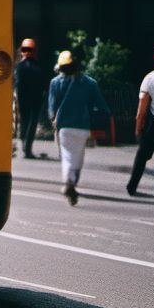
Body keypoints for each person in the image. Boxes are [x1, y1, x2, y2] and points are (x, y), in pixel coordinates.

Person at [48, 50, 110, 205]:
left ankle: (69, 183)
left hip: (64, 127)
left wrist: (53, 120)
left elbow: (51, 107)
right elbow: (102, 107)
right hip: (82, 126)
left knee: (67, 157)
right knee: (78, 158)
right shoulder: (90, 83)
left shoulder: (55, 83)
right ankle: (72, 182)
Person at [127, 47, 154, 196]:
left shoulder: (150, 78)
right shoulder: (151, 78)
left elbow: (142, 108)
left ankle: (132, 186)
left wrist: (138, 128)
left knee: (142, 157)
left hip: (153, 125)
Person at [13, 37, 46, 158]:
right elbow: (42, 83)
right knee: (31, 124)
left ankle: (25, 147)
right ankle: (27, 148)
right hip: (34, 100)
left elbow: (18, 84)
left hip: (25, 100)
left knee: (25, 123)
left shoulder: (20, 66)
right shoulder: (36, 65)